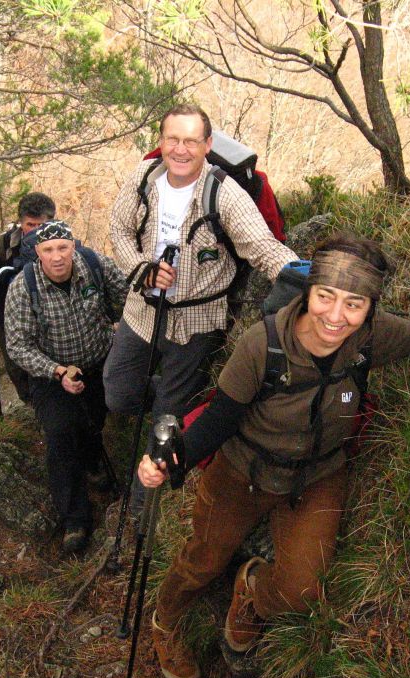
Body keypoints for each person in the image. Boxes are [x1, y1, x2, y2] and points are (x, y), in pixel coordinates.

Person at [135, 230, 410, 678]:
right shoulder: (263, 345)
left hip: (317, 476)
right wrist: (169, 463)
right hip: (244, 472)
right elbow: (220, 418)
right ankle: (166, 622)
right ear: (309, 291)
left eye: (354, 304)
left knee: (301, 593)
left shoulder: (374, 336)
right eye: (326, 297)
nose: (336, 317)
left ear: (370, 307)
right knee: (201, 561)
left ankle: (253, 590)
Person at [105, 103, 298, 507]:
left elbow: (261, 247)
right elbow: (119, 230)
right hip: (142, 312)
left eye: (191, 141)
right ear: (161, 142)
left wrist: (302, 275)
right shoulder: (143, 178)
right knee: (118, 392)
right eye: (173, 139)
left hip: (197, 321)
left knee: (166, 421)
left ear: (207, 145)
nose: (180, 149)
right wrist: (141, 268)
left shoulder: (223, 194)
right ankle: (179, 396)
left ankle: (142, 504)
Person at [4, 220, 129, 555]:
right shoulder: (23, 287)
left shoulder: (95, 266)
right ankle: (75, 518)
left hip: (101, 362)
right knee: (60, 435)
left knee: (96, 419)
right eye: (48, 250)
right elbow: (17, 345)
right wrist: (57, 371)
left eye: (63, 247)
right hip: (50, 374)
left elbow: (130, 295)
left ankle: (93, 461)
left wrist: (123, 328)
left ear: (74, 247)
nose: (57, 256)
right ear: (37, 254)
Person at [0, 192, 56, 404]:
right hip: (7, 313)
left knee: (51, 359)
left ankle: (51, 406)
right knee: (15, 364)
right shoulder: (4, 245)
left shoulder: (61, 245)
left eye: (41, 224)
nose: (36, 230)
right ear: (20, 223)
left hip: (52, 313)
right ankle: (31, 404)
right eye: (30, 224)